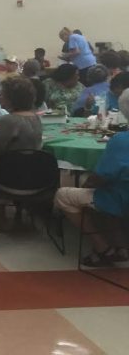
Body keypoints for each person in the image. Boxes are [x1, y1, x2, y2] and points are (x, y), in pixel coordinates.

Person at [54, 89, 129, 267]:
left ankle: (102, 248)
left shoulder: (121, 140)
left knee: (63, 195)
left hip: (120, 199)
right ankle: (120, 246)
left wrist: (86, 186)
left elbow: (100, 178)